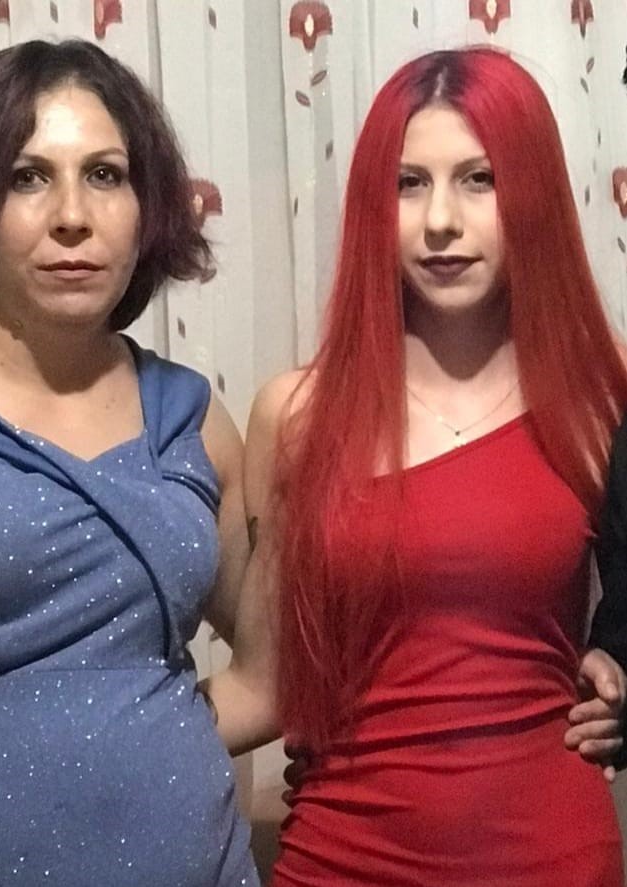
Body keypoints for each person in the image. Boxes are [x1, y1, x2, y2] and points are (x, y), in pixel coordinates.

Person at [206, 47, 627, 885]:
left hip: (550, 857)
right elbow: (263, 685)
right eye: (407, 184)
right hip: (338, 857)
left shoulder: (602, 398)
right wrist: (68, 732)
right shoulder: (294, 416)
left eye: (478, 179)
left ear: (533, 193)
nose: (439, 219)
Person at [0, 39, 258, 886]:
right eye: (26, 177)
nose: (72, 214)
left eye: (104, 174)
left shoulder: (191, 415)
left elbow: (275, 671)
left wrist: (142, 740)